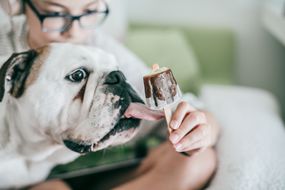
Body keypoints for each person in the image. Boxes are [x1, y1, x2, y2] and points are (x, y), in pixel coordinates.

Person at [0, 0, 220, 189]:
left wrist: (199, 128)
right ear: (16, 5)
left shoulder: (99, 48)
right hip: (38, 180)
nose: (74, 31)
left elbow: (184, 111)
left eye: (89, 12)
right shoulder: (9, 54)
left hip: (83, 173)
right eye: (56, 14)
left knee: (199, 160)